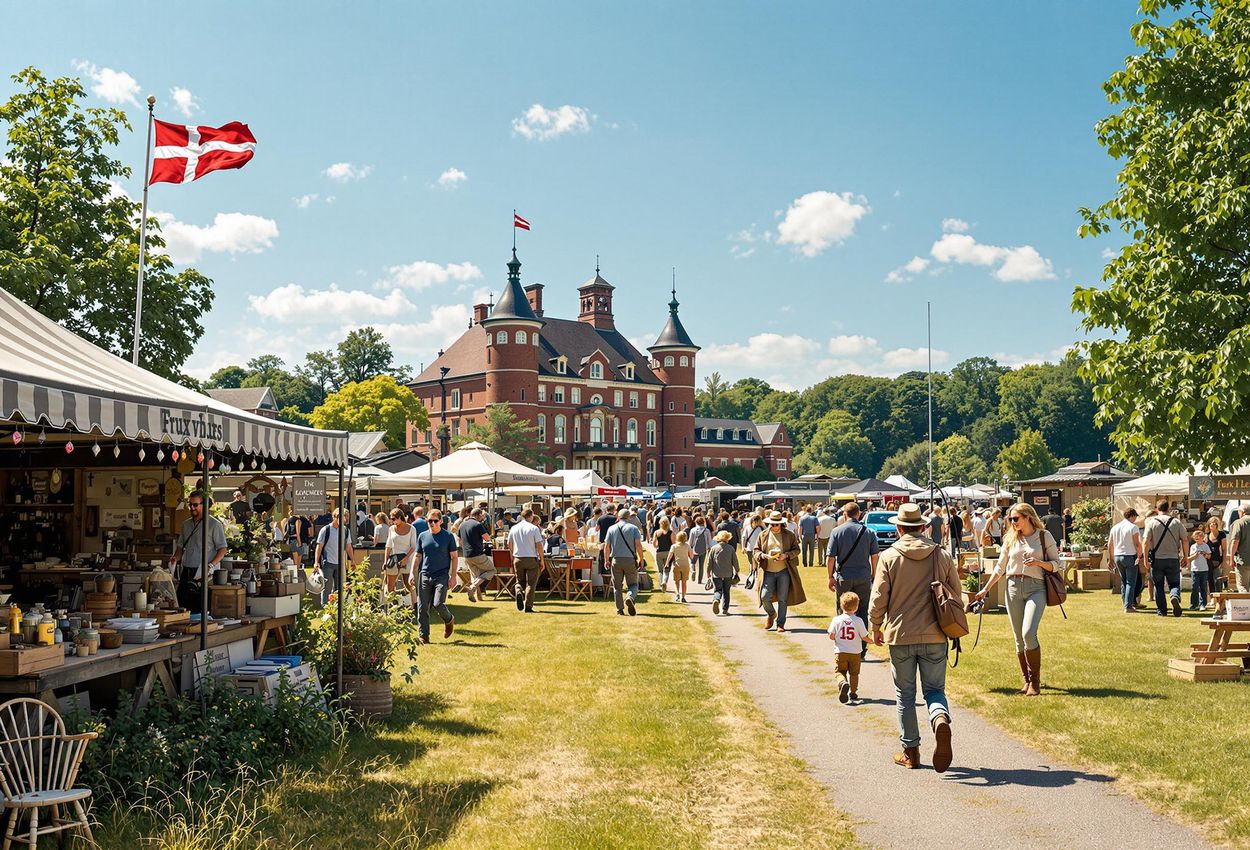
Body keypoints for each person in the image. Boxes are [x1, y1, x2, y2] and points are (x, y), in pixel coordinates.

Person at [867, 502, 959, 772]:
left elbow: (878, 597)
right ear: (923, 526)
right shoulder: (940, 555)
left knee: (905, 696)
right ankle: (939, 717)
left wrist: (875, 625)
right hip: (934, 633)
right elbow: (956, 592)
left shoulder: (889, 556)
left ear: (898, 528)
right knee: (934, 691)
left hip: (900, 634)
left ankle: (911, 752)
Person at [975, 503, 1060, 695]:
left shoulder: (1043, 536)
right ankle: (1027, 681)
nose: (1012, 522)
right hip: (1012, 587)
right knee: (1018, 639)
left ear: (1028, 517)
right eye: (1010, 519)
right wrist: (985, 589)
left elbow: (1057, 564)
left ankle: (1036, 682)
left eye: (1016, 519)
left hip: (1036, 588)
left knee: (1029, 633)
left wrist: (1039, 563)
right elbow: (1000, 568)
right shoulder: (1010, 539)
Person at [825, 501, 880, 657]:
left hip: (844, 576)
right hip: (863, 576)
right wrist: (874, 575)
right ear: (859, 514)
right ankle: (861, 649)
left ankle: (843, 647)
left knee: (843, 611)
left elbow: (831, 558)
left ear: (844, 514)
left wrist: (830, 576)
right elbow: (874, 557)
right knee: (862, 611)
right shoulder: (869, 532)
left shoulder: (837, 531)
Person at [170, 491, 228, 612]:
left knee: (201, 605)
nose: (192, 508)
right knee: (182, 603)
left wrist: (211, 565)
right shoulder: (186, 524)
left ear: (204, 505)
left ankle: (200, 629)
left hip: (204, 571)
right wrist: (175, 558)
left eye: (195, 505)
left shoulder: (214, 524)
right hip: (187, 570)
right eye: (190, 505)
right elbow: (180, 547)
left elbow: (222, 549)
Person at [410, 509, 458, 642]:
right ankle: (423, 636)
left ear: (441, 521)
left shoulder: (448, 536)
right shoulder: (423, 536)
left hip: (441, 575)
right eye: (429, 521)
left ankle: (449, 619)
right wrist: (411, 573)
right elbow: (418, 555)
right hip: (425, 574)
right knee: (422, 606)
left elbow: (454, 557)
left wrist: (453, 576)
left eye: (434, 521)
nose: (431, 523)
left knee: (438, 603)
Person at [752, 510, 801, 633]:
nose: (774, 527)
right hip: (767, 570)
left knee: (783, 599)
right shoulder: (763, 535)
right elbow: (755, 551)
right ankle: (771, 614)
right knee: (764, 596)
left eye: (776, 524)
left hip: (784, 570)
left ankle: (781, 623)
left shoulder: (789, 535)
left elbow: (797, 550)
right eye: (772, 524)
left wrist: (786, 555)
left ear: (781, 524)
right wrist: (763, 556)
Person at [1145, 499, 1188, 617]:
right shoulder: (1176, 522)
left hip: (1157, 558)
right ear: (1168, 509)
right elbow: (1185, 540)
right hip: (1173, 558)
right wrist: (1185, 556)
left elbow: (1146, 542)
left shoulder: (1151, 522)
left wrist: (1145, 560)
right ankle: (1174, 596)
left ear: (1156, 509)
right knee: (1174, 583)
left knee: (1158, 585)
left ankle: (1162, 610)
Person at [828, 591, 870, 705]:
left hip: (841, 652)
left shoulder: (836, 620)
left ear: (841, 606)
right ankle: (853, 692)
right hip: (855, 653)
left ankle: (842, 683)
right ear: (856, 607)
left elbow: (831, 636)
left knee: (839, 672)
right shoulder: (859, 621)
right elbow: (864, 637)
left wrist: (837, 638)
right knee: (854, 673)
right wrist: (873, 641)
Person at [604, 509, 645, 616]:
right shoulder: (633, 528)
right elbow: (638, 545)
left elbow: (607, 546)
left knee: (617, 586)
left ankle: (620, 609)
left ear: (618, 516)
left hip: (616, 560)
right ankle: (630, 597)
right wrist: (641, 559)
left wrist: (606, 560)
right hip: (630, 559)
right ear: (629, 517)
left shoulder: (611, 528)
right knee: (633, 584)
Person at [313, 508, 355, 607]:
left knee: (339, 587)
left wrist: (352, 560)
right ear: (335, 517)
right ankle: (325, 606)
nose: (345, 520)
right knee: (326, 587)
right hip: (328, 562)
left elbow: (349, 546)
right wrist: (316, 561)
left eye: (346, 518)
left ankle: (337, 606)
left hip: (340, 564)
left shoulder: (345, 530)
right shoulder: (326, 530)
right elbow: (319, 546)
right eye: (343, 517)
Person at [507, 507, 546, 613]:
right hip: (530, 558)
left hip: (518, 557)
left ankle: (518, 590)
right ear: (531, 516)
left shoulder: (514, 528)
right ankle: (528, 606)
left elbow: (509, 544)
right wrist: (542, 559)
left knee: (519, 580)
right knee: (531, 583)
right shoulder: (534, 528)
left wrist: (512, 554)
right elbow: (539, 545)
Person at [1108, 508, 1145, 613]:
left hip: (1118, 555)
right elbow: (1137, 544)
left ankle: (1125, 603)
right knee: (1130, 582)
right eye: (1135, 517)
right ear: (1132, 516)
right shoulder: (1133, 527)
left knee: (1124, 582)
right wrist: (1139, 556)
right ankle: (1128, 606)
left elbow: (1110, 544)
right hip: (1130, 555)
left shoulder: (1115, 527)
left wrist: (1111, 558)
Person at [458, 507, 495, 602]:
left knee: (476, 576)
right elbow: (487, 538)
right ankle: (473, 586)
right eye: (482, 515)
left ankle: (478, 597)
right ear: (478, 515)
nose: (482, 517)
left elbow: (459, 541)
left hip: (466, 555)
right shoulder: (478, 524)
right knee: (491, 570)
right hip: (477, 554)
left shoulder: (462, 525)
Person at [382, 507, 416, 599]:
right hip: (394, 559)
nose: (392, 521)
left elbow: (413, 546)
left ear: (400, 517)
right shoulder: (391, 529)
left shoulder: (411, 528)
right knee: (390, 586)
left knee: (408, 584)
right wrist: (385, 560)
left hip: (407, 559)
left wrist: (406, 558)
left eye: (394, 519)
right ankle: (392, 606)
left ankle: (415, 606)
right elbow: (388, 545)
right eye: (391, 519)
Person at [707, 530, 737, 616]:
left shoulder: (714, 548)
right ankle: (725, 609)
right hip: (728, 574)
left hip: (717, 574)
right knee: (726, 592)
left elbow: (709, 562)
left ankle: (716, 599)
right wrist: (737, 571)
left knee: (718, 590)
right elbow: (735, 561)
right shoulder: (731, 548)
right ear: (728, 538)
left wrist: (708, 572)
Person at [1224, 504, 1250, 592]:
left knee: (1242, 586)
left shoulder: (1239, 523)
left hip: (1243, 560)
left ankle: (1246, 605)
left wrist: (1231, 558)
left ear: (1241, 512)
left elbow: (1235, 541)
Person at [1189, 529, 1212, 611]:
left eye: (1198, 538)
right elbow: (1190, 558)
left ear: (1202, 538)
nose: (1197, 539)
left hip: (1204, 569)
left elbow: (1209, 556)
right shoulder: (1193, 547)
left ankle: (1203, 604)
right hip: (1195, 569)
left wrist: (1204, 554)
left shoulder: (1206, 546)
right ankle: (1193, 604)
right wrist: (1196, 555)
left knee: (1203, 587)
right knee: (1194, 587)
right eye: (1195, 538)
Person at [667, 530, 692, 603]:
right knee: (684, 582)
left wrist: (667, 563)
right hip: (685, 565)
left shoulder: (674, 546)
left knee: (676, 581)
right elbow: (692, 555)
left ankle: (677, 594)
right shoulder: (687, 545)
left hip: (677, 565)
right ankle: (683, 597)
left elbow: (670, 555)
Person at [688, 515, 712, 584]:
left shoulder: (693, 530)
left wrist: (690, 548)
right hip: (703, 549)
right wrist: (709, 548)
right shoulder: (707, 530)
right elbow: (709, 541)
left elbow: (690, 541)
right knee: (701, 565)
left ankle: (693, 571)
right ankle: (699, 580)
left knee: (692, 562)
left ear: (696, 522)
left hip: (695, 549)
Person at [652, 518, 674, 592]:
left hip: (659, 552)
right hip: (668, 553)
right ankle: (664, 581)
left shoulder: (656, 532)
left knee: (660, 570)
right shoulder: (671, 532)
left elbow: (654, 544)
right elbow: (673, 544)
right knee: (667, 570)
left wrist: (657, 546)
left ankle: (661, 584)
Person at [1206, 516, 1227, 596]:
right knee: (1209, 579)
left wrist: (1224, 561)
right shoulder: (1207, 535)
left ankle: (1219, 597)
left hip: (1217, 559)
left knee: (1217, 580)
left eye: (1214, 524)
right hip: (1208, 560)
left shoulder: (1221, 534)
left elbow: (1224, 549)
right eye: (1210, 524)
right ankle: (1211, 598)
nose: (1212, 525)